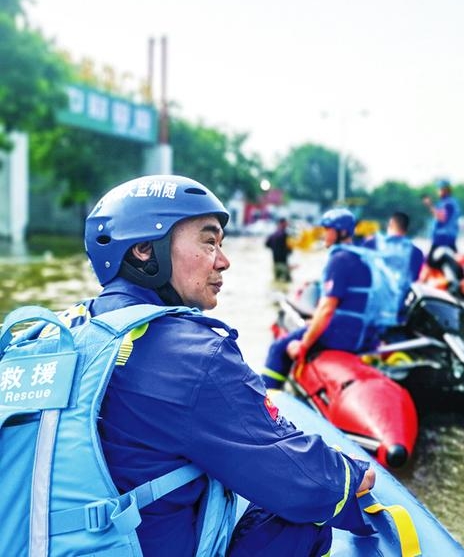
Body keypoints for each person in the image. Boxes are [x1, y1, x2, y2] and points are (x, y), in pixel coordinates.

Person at [83, 175, 375, 556]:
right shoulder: (197, 354)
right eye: (209, 242)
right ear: (143, 249)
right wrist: (350, 475)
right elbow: (301, 479)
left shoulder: (59, 331)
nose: (224, 261)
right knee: (301, 516)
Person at [262, 208, 382, 390]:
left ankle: (264, 400)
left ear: (341, 232)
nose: (324, 234)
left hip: (341, 335)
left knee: (278, 349)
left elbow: (327, 308)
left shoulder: (340, 259)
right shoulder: (362, 259)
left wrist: (303, 345)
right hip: (363, 335)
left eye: (328, 230)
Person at [363, 211, 425, 304]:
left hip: (371, 302)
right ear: (406, 229)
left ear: (390, 224)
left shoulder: (372, 243)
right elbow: (414, 278)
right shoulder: (416, 253)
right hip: (398, 305)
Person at [422, 179, 462, 259]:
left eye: (439, 189)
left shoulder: (447, 203)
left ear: (445, 190)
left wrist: (430, 205)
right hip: (448, 236)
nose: (438, 192)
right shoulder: (450, 202)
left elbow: (442, 218)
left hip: (443, 236)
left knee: (430, 260)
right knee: (455, 255)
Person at [265, 217, 292, 282]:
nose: (287, 225)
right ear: (282, 224)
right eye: (286, 223)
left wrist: (275, 248)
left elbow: (266, 245)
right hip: (283, 263)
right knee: (288, 281)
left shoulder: (272, 235)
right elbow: (290, 248)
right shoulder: (285, 235)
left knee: (277, 281)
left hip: (275, 263)